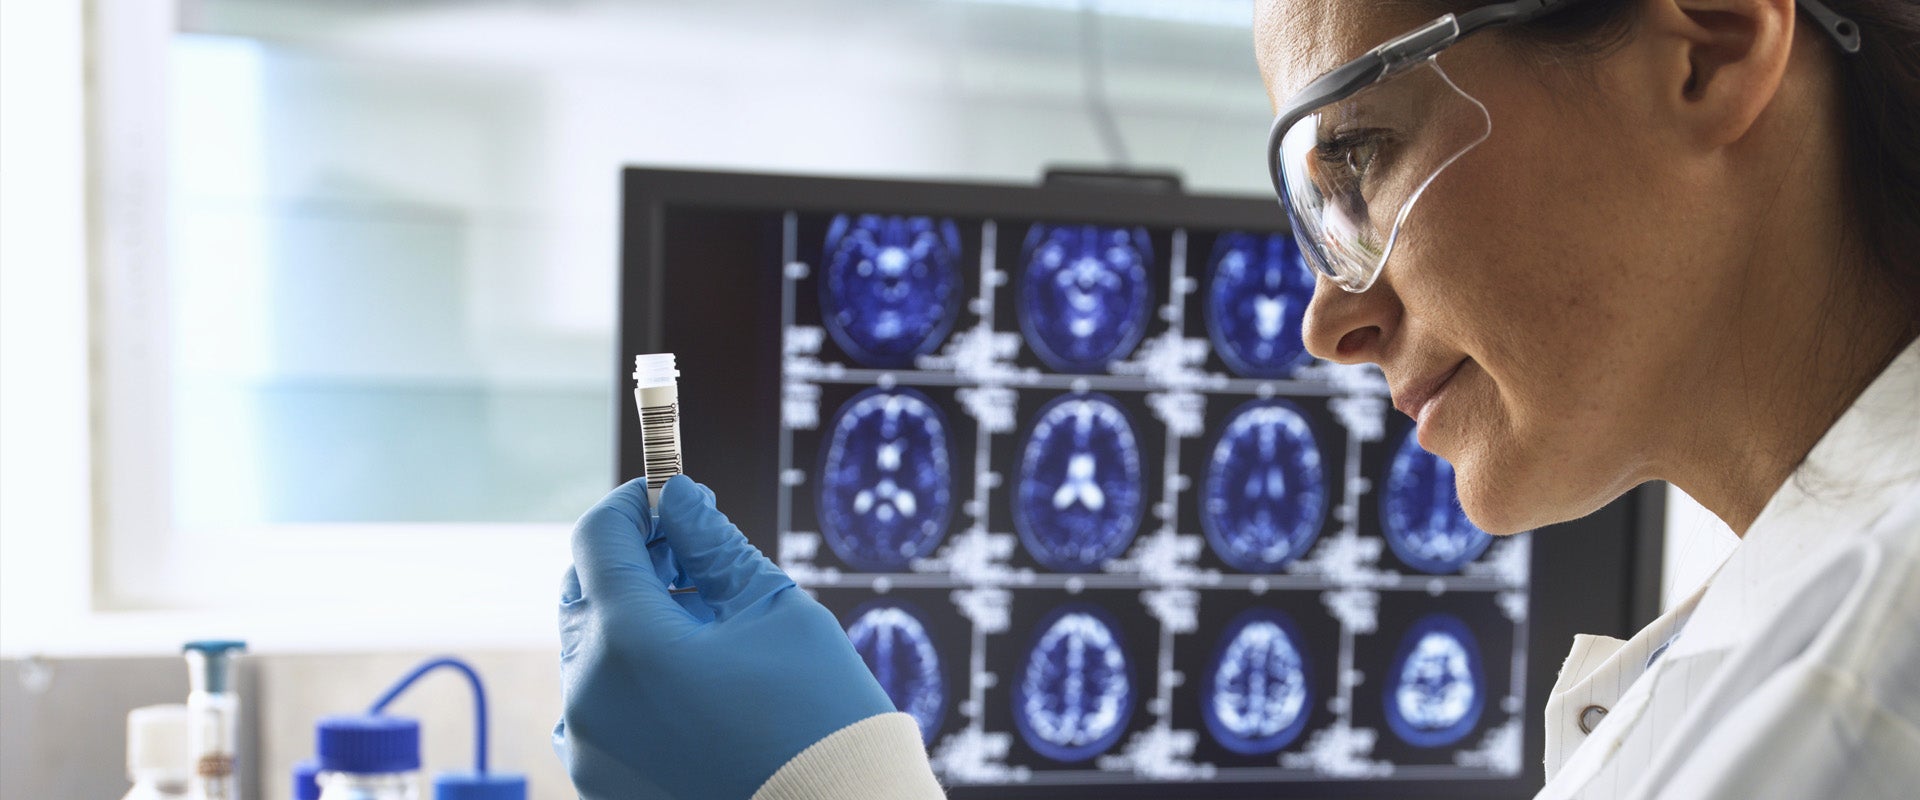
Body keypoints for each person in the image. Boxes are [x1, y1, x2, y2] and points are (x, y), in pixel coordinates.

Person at [551, 0, 1920, 797]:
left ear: (1709, 47)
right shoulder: (1784, 626)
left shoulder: (1871, 667)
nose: (1332, 318)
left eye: (1364, 163)